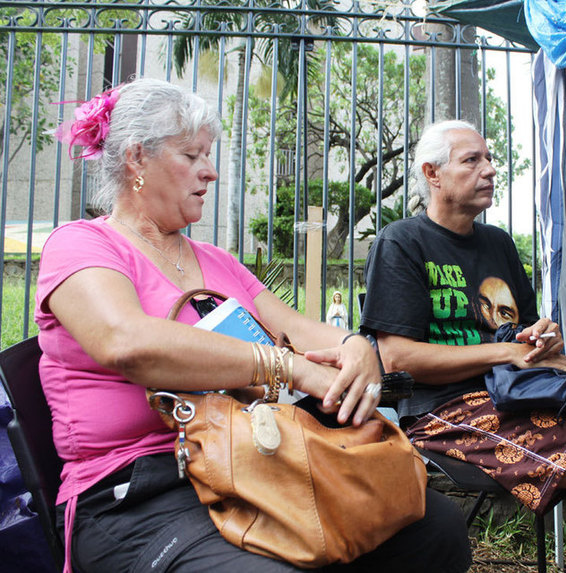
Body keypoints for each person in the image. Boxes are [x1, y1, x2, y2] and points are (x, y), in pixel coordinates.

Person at [36, 79, 471, 573]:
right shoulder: (81, 245)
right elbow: (125, 341)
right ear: (137, 158)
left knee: (433, 527)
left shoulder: (216, 260)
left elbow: (296, 327)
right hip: (140, 491)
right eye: (193, 155)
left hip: (259, 461)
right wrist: (284, 367)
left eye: (209, 154)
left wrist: (355, 347)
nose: (211, 171)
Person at [360, 119, 566, 572]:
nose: (490, 169)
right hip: (446, 411)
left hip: (520, 390)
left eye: (489, 158)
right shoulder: (402, 242)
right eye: (472, 160)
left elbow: (522, 334)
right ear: (432, 174)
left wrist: (542, 338)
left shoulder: (498, 243)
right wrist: (503, 352)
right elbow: (398, 358)